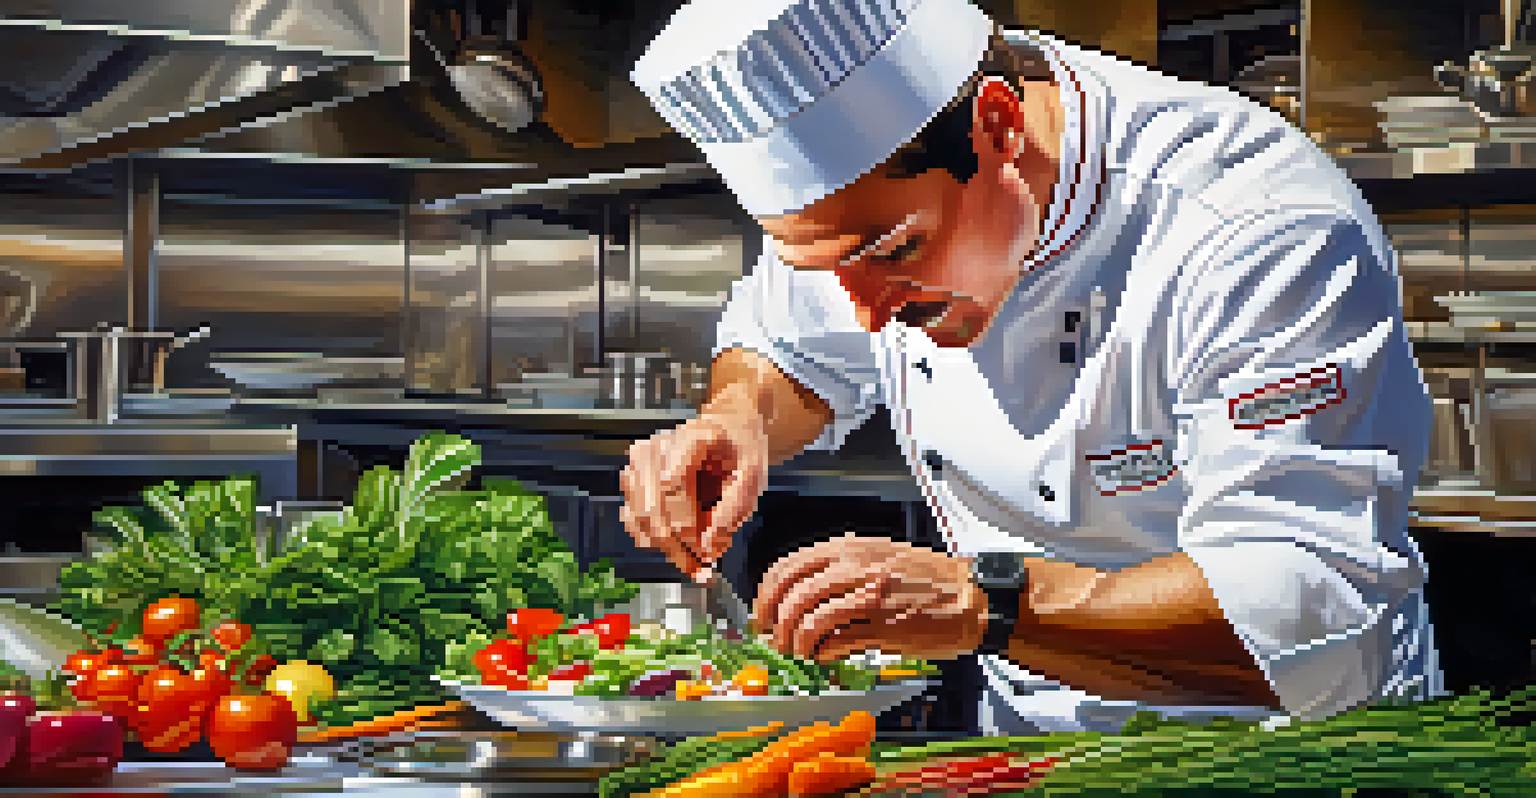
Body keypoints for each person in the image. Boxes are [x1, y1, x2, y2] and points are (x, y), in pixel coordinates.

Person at [621, 0, 1442, 734]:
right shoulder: (863, 213)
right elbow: (785, 349)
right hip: (1031, 746)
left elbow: (1310, 614)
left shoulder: (1250, 229)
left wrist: (984, 603)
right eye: (825, 271)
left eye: (897, 252)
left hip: (1284, 755)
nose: (867, 315)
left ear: (1001, 128)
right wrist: (736, 418)